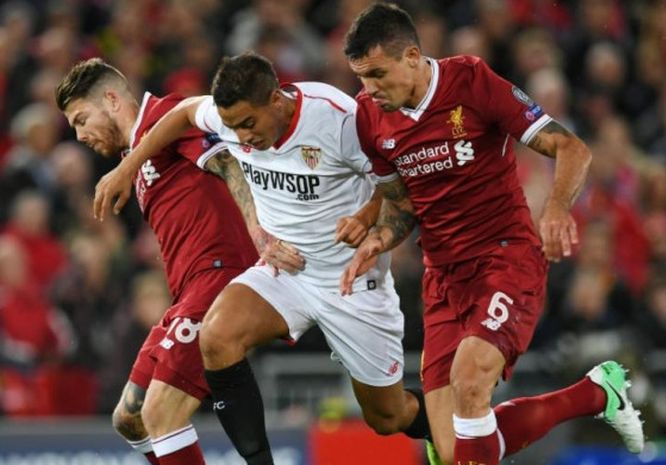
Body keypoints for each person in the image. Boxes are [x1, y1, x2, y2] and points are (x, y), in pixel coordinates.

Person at [91, 52, 432, 464]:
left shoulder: (336, 118)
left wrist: (366, 219)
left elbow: (398, 174)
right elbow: (183, 113)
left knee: (387, 416)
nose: (243, 137)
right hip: (285, 271)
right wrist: (129, 166)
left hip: (349, 278)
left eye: (249, 124)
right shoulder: (229, 121)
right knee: (216, 336)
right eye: (232, 127)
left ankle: (435, 422)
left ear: (276, 100)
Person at [341, 4, 645, 465]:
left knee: (469, 380)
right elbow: (402, 205)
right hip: (442, 277)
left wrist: (557, 209)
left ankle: (594, 394)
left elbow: (570, 146)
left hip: (506, 257)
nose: (370, 90)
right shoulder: (370, 118)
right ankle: (595, 393)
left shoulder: (471, 82)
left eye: (378, 74)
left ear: (412, 57)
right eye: (362, 78)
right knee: (452, 452)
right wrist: (379, 239)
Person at [55, 58, 261, 465]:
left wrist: (260, 234)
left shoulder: (164, 116)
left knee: (159, 412)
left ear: (112, 99)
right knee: (129, 419)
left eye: (81, 119)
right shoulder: (139, 155)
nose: (79, 135)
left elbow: (227, 161)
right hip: (186, 294)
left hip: (218, 278)